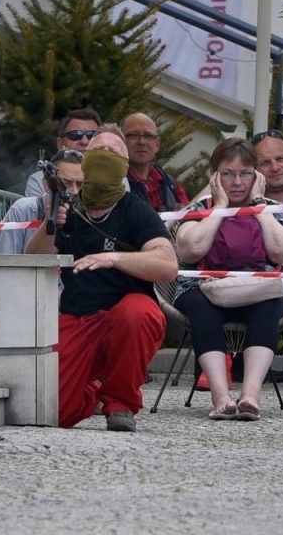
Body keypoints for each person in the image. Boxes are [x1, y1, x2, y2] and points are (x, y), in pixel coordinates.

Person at [24, 128, 177, 431]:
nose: (104, 156)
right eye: (98, 150)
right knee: (53, 413)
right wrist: (50, 224)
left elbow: (167, 264)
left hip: (124, 317)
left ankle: (121, 403)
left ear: (124, 167)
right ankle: (95, 388)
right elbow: (34, 257)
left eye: (114, 152)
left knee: (138, 313)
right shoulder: (69, 208)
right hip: (77, 317)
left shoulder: (135, 211)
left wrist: (114, 258)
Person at [173, 138, 283, 420]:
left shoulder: (270, 208)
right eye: (228, 174)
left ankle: (251, 395)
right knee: (200, 307)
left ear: (258, 176)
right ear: (215, 176)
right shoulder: (199, 208)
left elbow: (280, 252)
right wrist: (220, 207)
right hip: (205, 289)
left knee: (269, 305)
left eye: (246, 173)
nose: (237, 181)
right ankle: (220, 396)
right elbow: (192, 250)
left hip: (263, 289)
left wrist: (258, 207)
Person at [0, 149, 81, 254]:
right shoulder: (23, 210)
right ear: (46, 185)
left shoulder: (91, 214)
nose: (74, 191)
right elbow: (4, 263)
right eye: (66, 183)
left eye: (80, 184)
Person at [24, 107, 102, 201]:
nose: (84, 141)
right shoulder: (39, 181)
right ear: (60, 143)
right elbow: (41, 214)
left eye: (92, 135)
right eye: (75, 135)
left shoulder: (116, 178)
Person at [120, 111, 188, 211]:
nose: (142, 142)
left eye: (148, 136)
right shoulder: (113, 182)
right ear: (120, 141)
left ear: (157, 145)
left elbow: (189, 217)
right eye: (133, 135)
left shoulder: (171, 185)